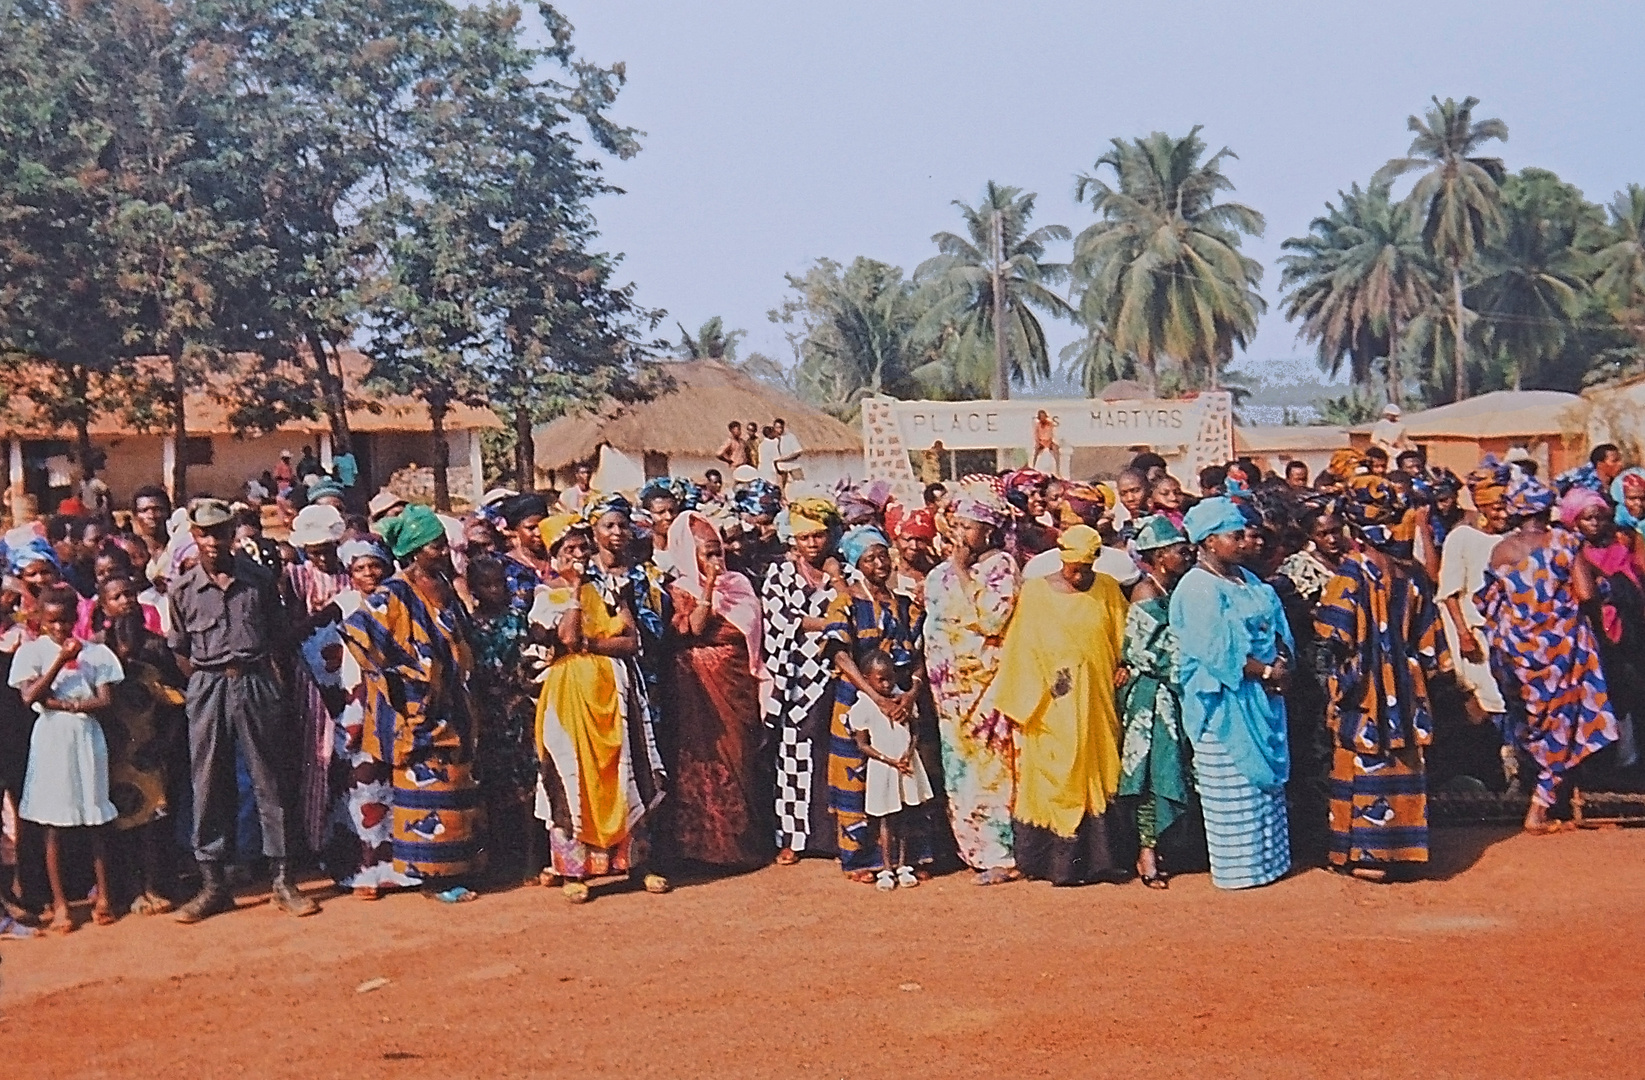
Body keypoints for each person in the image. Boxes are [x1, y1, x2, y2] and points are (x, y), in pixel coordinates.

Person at [168, 498, 316, 922]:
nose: (212, 541)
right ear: (194, 536)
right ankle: (213, 884)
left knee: (268, 780)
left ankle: (283, 881)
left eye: (220, 532)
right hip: (208, 685)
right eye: (204, 533)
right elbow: (179, 648)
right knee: (208, 782)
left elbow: (276, 633)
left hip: (254, 680)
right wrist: (203, 682)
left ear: (233, 533)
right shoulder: (181, 589)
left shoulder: (259, 581)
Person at [339, 505, 483, 902]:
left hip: (454, 706)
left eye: (442, 543)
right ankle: (432, 879)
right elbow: (359, 635)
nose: (442, 550)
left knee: (455, 789)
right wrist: (405, 681)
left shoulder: (446, 586)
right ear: (415, 551)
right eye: (434, 545)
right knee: (426, 799)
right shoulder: (394, 593)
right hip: (419, 713)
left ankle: (457, 868)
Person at [1315, 476, 1448, 881]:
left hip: (1365, 687)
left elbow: (1331, 635)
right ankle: (1404, 852)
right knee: (1404, 761)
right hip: (1407, 689)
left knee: (1360, 763)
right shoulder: (1411, 574)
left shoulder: (1350, 575)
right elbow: (1430, 643)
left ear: (1354, 531)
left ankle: (1366, 858)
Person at [530, 514, 668, 903]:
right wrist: (574, 593)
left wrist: (594, 644)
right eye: (568, 550)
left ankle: (633, 863)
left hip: (615, 695)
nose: (578, 556)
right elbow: (568, 639)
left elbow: (631, 642)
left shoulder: (608, 590)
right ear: (554, 556)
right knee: (575, 780)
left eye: (581, 548)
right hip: (571, 697)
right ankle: (573, 870)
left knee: (623, 775)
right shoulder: (547, 597)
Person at [990, 525, 1130, 887]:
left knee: (1100, 770)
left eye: (1086, 568)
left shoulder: (1109, 590)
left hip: (1097, 700)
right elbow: (1021, 647)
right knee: (1058, 769)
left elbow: (1122, 638)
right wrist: (1032, 695)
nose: (1079, 575)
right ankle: (1054, 864)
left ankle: (1100, 862)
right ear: (1061, 558)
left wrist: (1124, 667)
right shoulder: (1036, 593)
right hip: (1051, 701)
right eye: (1073, 568)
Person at [1476, 475, 1618, 832]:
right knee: (1563, 725)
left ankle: (1538, 795)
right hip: (1560, 650)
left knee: (1532, 724)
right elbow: (1585, 594)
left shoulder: (1500, 550)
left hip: (1516, 654)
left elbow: (1487, 602)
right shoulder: (1564, 542)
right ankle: (1538, 812)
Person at [1170, 497, 1293, 891]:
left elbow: (1278, 629)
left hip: (1264, 697)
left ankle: (1269, 864)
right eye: (1234, 535)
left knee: (1264, 793)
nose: (1243, 541)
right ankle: (1240, 872)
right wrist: (1267, 670)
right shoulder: (1198, 588)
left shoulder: (1249, 580)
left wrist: (1283, 663)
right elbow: (1216, 650)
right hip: (1224, 702)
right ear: (1207, 542)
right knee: (1233, 786)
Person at [663, 511, 773, 872]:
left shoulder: (740, 583)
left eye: (718, 552)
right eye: (707, 554)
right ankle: (707, 850)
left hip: (738, 680)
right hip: (699, 689)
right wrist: (708, 586)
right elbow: (694, 628)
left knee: (741, 756)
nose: (717, 560)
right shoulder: (681, 589)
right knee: (706, 762)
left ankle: (744, 846)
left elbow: (755, 629)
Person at [923, 486, 1020, 885]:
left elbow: (993, 620)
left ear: (989, 530)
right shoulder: (939, 572)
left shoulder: (1001, 567)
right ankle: (972, 851)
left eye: (969, 526)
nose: (960, 534)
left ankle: (1002, 856)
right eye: (957, 524)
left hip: (986, 690)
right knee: (959, 773)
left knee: (991, 773)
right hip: (949, 696)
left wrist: (962, 570)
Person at [824, 525, 930, 881]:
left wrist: (910, 694)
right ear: (857, 564)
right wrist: (875, 699)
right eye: (870, 558)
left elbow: (918, 656)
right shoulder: (845, 604)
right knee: (857, 775)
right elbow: (840, 656)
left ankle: (909, 858)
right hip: (858, 701)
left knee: (905, 772)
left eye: (883, 555)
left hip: (900, 703)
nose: (880, 564)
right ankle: (860, 860)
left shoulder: (904, 607)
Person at [89, 574, 184, 915]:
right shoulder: (96, 649)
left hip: (149, 747)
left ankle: (154, 885)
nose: (126, 600)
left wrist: (163, 742)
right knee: (122, 820)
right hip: (112, 749)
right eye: (116, 596)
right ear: (103, 606)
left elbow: (178, 702)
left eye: (130, 593)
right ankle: (130, 889)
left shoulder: (156, 647)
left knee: (154, 820)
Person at [761, 497, 846, 865]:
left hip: (835, 673)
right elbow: (784, 622)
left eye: (819, 536)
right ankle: (794, 838)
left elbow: (852, 611)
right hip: (795, 679)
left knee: (837, 755)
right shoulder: (779, 575)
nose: (812, 543)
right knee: (794, 758)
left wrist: (836, 581)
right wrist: (830, 622)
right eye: (805, 537)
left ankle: (842, 837)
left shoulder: (845, 573)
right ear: (793, 539)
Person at [1116, 515, 1197, 889]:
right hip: (1152, 697)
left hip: (1175, 692)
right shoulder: (1146, 593)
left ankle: (1170, 847)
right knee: (1152, 772)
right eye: (1180, 551)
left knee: (1177, 766)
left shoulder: (1179, 590)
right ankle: (1146, 852)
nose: (1188, 555)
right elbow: (1147, 652)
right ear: (1160, 556)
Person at [465, 556, 542, 886]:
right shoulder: (470, 626)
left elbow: (532, 658)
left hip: (519, 709)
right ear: (475, 590)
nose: (495, 589)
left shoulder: (518, 618)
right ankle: (498, 858)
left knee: (528, 786)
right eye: (487, 585)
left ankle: (533, 859)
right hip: (488, 712)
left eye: (499, 582)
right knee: (495, 788)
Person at [282, 505, 351, 856]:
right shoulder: (297, 577)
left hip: (350, 676)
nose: (322, 555)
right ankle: (316, 840)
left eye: (327, 547)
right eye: (314, 550)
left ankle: (349, 835)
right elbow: (290, 631)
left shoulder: (352, 574)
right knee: (318, 753)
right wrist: (325, 616)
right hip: (311, 677)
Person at [1561, 486, 1645, 769]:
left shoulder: (1620, 546)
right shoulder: (1568, 550)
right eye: (1587, 519)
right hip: (1583, 632)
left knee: (1625, 690)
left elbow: (1635, 583)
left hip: (1622, 632)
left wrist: (1611, 587)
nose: (1594, 524)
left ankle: (1627, 758)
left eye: (1599, 518)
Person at [1437, 464, 1512, 773]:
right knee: (1485, 699)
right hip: (1475, 633)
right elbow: (1451, 591)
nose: (1503, 513)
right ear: (1481, 506)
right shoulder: (1463, 538)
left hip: (1509, 632)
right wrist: (1464, 634)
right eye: (1497, 507)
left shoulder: (1514, 538)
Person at [848, 649, 933, 892]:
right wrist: (888, 760)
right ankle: (886, 867)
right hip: (884, 769)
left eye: (890, 678)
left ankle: (904, 865)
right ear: (866, 678)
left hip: (906, 766)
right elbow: (862, 744)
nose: (886, 684)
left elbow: (915, 729)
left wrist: (908, 753)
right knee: (886, 819)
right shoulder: (863, 706)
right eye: (880, 679)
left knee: (905, 815)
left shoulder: (903, 699)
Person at [496, 493, 552, 614]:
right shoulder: (505, 567)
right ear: (515, 531)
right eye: (531, 528)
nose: (538, 532)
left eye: (543, 525)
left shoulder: (561, 557)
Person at [1555, 442, 1624, 497]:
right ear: (1600, 464)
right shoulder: (1584, 483)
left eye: (1620, 460)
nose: (1620, 464)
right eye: (1614, 461)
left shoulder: (1620, 483)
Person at [772, 417, 804, 490]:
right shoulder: (773, 439)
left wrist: (784, 459)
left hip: (793, 465)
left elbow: (798, 452)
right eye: (777, 427)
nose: (779, 430)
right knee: (780, 488)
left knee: (801, 484)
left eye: (780, 427)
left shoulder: (790, 437)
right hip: (781, 467)